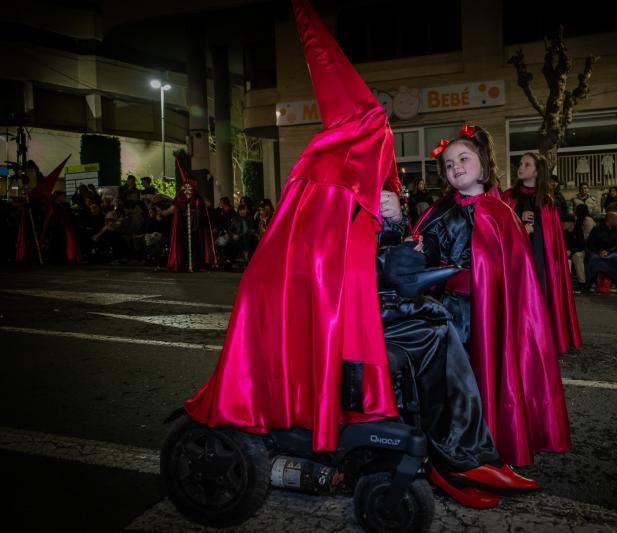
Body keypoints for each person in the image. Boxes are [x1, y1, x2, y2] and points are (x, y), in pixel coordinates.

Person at [184, 0, 532, 510]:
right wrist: (389, 240)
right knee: (433, 332)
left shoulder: (347, 190)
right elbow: (330, 269)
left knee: (433, 325)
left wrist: (390, 224)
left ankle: (463, 453)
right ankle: (458, 456)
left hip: (355, 308)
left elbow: (365, 254)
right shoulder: (327, 186)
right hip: (334, 319)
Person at [398, 125, 570, 468]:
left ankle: (494, 439)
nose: (455, 167)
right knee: (457, 383)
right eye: (448, 164)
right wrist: (415, 249)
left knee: (491, 373)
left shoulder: (501, 213)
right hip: (453, 312)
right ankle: (458, 445)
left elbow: (517, 276)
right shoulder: (438, 211)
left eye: (463, 158)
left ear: (483, 163)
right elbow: (426, 248)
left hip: (491, 312)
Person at [501, 152, 581, 353]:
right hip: (515, 260)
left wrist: (534, 227)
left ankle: (540, 339)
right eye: (520, 164)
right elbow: (500, 229)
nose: (521, 167)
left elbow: (551, 237)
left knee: (540, 293)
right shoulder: (508, 197)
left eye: (527, 165)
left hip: (539, 259)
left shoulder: (546, 201)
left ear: (537, 171)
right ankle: (517, 339)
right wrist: (518, 220)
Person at [561, 213, 586, 287]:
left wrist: (571, 251)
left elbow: (581, 245)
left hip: (577, 251)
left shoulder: (578, 230)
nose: (562, 224)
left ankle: (582, 282)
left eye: (564, 222)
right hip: (565, 252)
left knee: (577, 256)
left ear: (571, 223)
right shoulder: (561, 231)